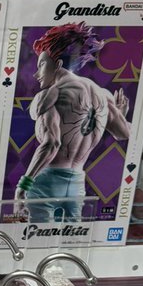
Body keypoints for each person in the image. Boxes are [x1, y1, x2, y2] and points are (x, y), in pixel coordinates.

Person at [14, 23, 130, 223]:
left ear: (58, 64)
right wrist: (121, 115)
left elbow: (52, 144)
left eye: (41, 65)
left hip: (47, 181)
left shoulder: (51, 94)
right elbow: (124, 133)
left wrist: (23, 186)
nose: (36, 73)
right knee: (73, 236)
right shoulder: (103, 95)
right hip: (76, 183)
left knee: (37, 236)